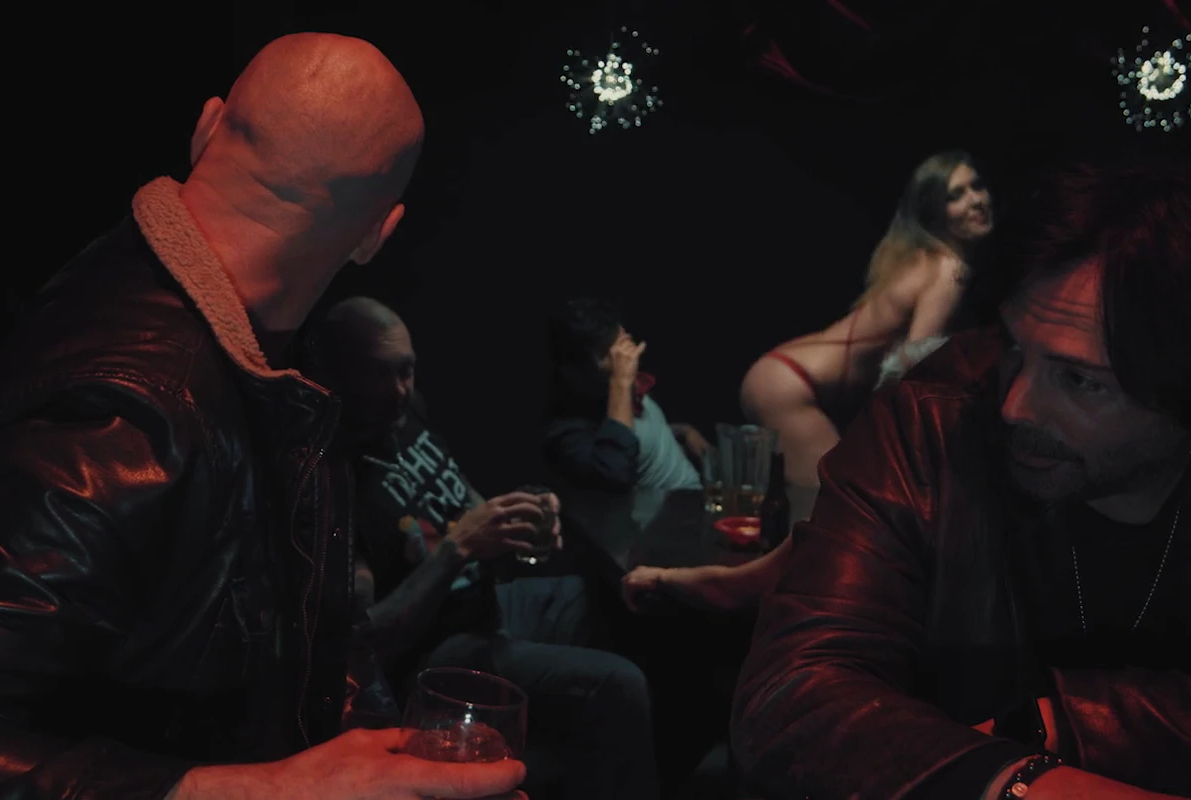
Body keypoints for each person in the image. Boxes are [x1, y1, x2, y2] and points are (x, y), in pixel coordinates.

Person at [0, 34, 527, 800]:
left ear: (206, 128)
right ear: (376, 234)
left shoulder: (254, 352)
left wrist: (371, 755)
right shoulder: (124, 417)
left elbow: (293, 638)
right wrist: (263, 792)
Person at [732, 156, 1191, 799]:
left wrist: (1061, 727)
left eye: (1079, 380)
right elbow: (794, 694)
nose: (1015, 404)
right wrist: (1021, 782)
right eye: (1017, 348)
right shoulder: (929, 420)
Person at [316, 296, 659, 800]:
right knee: (618, 683)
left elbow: (466, 502)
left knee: (627, 599)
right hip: (438, 650)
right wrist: (458, 547)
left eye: (407, 370)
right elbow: (370, 642)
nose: (400, 389)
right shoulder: (330, 479)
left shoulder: (406, 415)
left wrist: (519, 520)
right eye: (379, 375)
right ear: (339, 376)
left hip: (488, 605)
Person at [623, 152, 994, 615]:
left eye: (977, 186)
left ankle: (762, 600)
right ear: (934, 212)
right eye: (956, 194)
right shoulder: (948, 267)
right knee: (832, 511)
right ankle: (756, 605)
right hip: (790, 385)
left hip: (783, 373)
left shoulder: (919, 258)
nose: (976, 200)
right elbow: (911, 365)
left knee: (813, 512)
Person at [542, 297, 707, 493]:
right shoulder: (566, 430)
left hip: (699, 493)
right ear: (573, 370)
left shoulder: (616, 388)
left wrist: (681, 431)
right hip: (671, 509)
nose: (625, 357)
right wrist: (620, 381)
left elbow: (639, 437)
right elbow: (613, 472)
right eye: (610, 354)